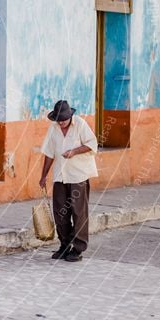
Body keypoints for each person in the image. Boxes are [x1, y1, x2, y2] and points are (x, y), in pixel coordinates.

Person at [39, 100, 98, 262]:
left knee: (79, 213)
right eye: (58, 120)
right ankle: (64, 245)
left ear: (70, 116)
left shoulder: (80, 124)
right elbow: (49, 153)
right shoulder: (54, 128)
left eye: (63, 119)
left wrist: (75, 151)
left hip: (78, 176)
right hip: (60, 176)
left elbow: (92, 144)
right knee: (60, 214)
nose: (61, 123)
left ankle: (78, 248)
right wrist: (43, 176)